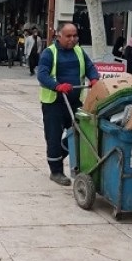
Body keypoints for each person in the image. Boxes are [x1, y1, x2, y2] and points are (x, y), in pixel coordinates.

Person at [37, 23, 100, 186]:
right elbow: (42, 75)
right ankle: (56, 171)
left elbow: (89, 67)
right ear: (59, 36)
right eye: (69, 36)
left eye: (75, 36)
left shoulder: (79, 51)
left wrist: (94, 78)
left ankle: (68, 157)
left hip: (73, 101)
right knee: (53, 138)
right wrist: (57, 86)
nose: (73, 39)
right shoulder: (49, 53)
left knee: (81, 132)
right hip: (54, 103)